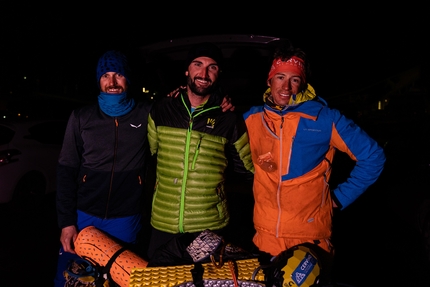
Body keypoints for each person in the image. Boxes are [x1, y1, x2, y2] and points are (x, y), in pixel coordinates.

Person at [53, 49, 234, 286]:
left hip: (126, 218)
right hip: (84, 213)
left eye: (118, 75)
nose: (112, 82)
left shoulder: (147, 112)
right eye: (106, 76)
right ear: (98, 80)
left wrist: (218, 98)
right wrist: (67, 222)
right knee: (71, 277)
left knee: (118, 278)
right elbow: (66, 170)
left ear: (127, 79)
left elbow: (180, 105)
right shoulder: (81, 117)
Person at [243, 41, 386, 283]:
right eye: (280, 77)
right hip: (264, 239)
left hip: (309, 241)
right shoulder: (252, 118)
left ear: (303, 82)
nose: (286, 86)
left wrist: (339, 198)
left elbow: (373, 157)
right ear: (269, 80)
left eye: (294, 79)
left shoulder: (324, 118)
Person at [146, 42, 254, 265]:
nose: (204, 73)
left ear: (219, 73)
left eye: (212, 67)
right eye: (198, 64)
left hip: (209, 225)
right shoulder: (162, 109)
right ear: (187, 70)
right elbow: (150, 154)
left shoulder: (228, 118)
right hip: (163, 223)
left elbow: (247, 169)